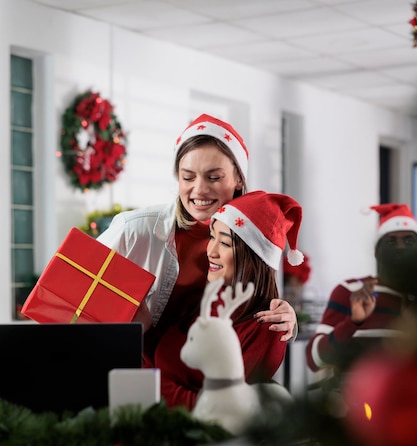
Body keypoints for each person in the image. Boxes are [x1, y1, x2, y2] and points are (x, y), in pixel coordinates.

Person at [97, 113, 298, 367]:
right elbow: (71, 300)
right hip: (134, 376)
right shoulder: (133, 229)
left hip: (201, 386)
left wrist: (287, 317)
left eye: (214, 177)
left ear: (238, 179)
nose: (200, 189)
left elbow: (258, 307)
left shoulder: (254, 239)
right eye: (188, 177)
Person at [151, 190, 304, 411]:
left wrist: (154, 389)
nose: (210, 251)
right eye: (212, 237)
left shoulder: (268, 327)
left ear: (254, 257)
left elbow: (224, 409)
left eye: (224, 243)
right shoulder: (206, 295)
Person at [305, 202, 417, 379]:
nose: (401, 247)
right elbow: (314, 359)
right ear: (377, 252)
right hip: (354, 403)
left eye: (409, 241)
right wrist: (353, 322)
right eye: (391, 241)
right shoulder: (350, 291)